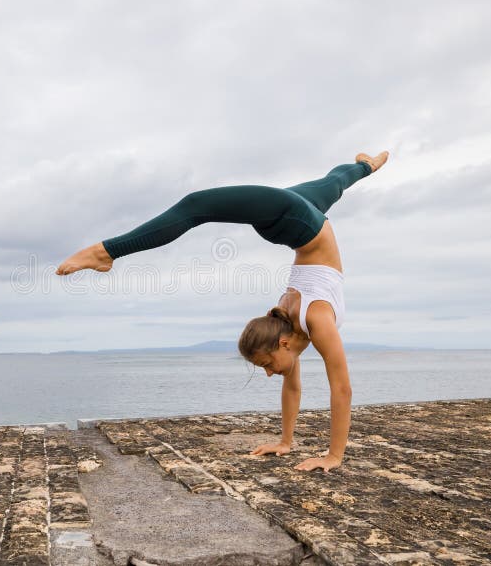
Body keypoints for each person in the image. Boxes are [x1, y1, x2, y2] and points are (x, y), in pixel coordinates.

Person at [56, 150, 390, 473]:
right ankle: (365, 165)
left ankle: (106, 252)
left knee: (198, 205)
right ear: (283, 344)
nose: (270, 373)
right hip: (299, 220)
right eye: (267, 366)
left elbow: (336, 388)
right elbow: (303, 386)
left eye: (265, 365)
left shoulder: (302, 322)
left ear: (282, 343)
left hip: (297, 220)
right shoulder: (306, 322)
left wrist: (333, 456)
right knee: (333, 184)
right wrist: (285, 443)